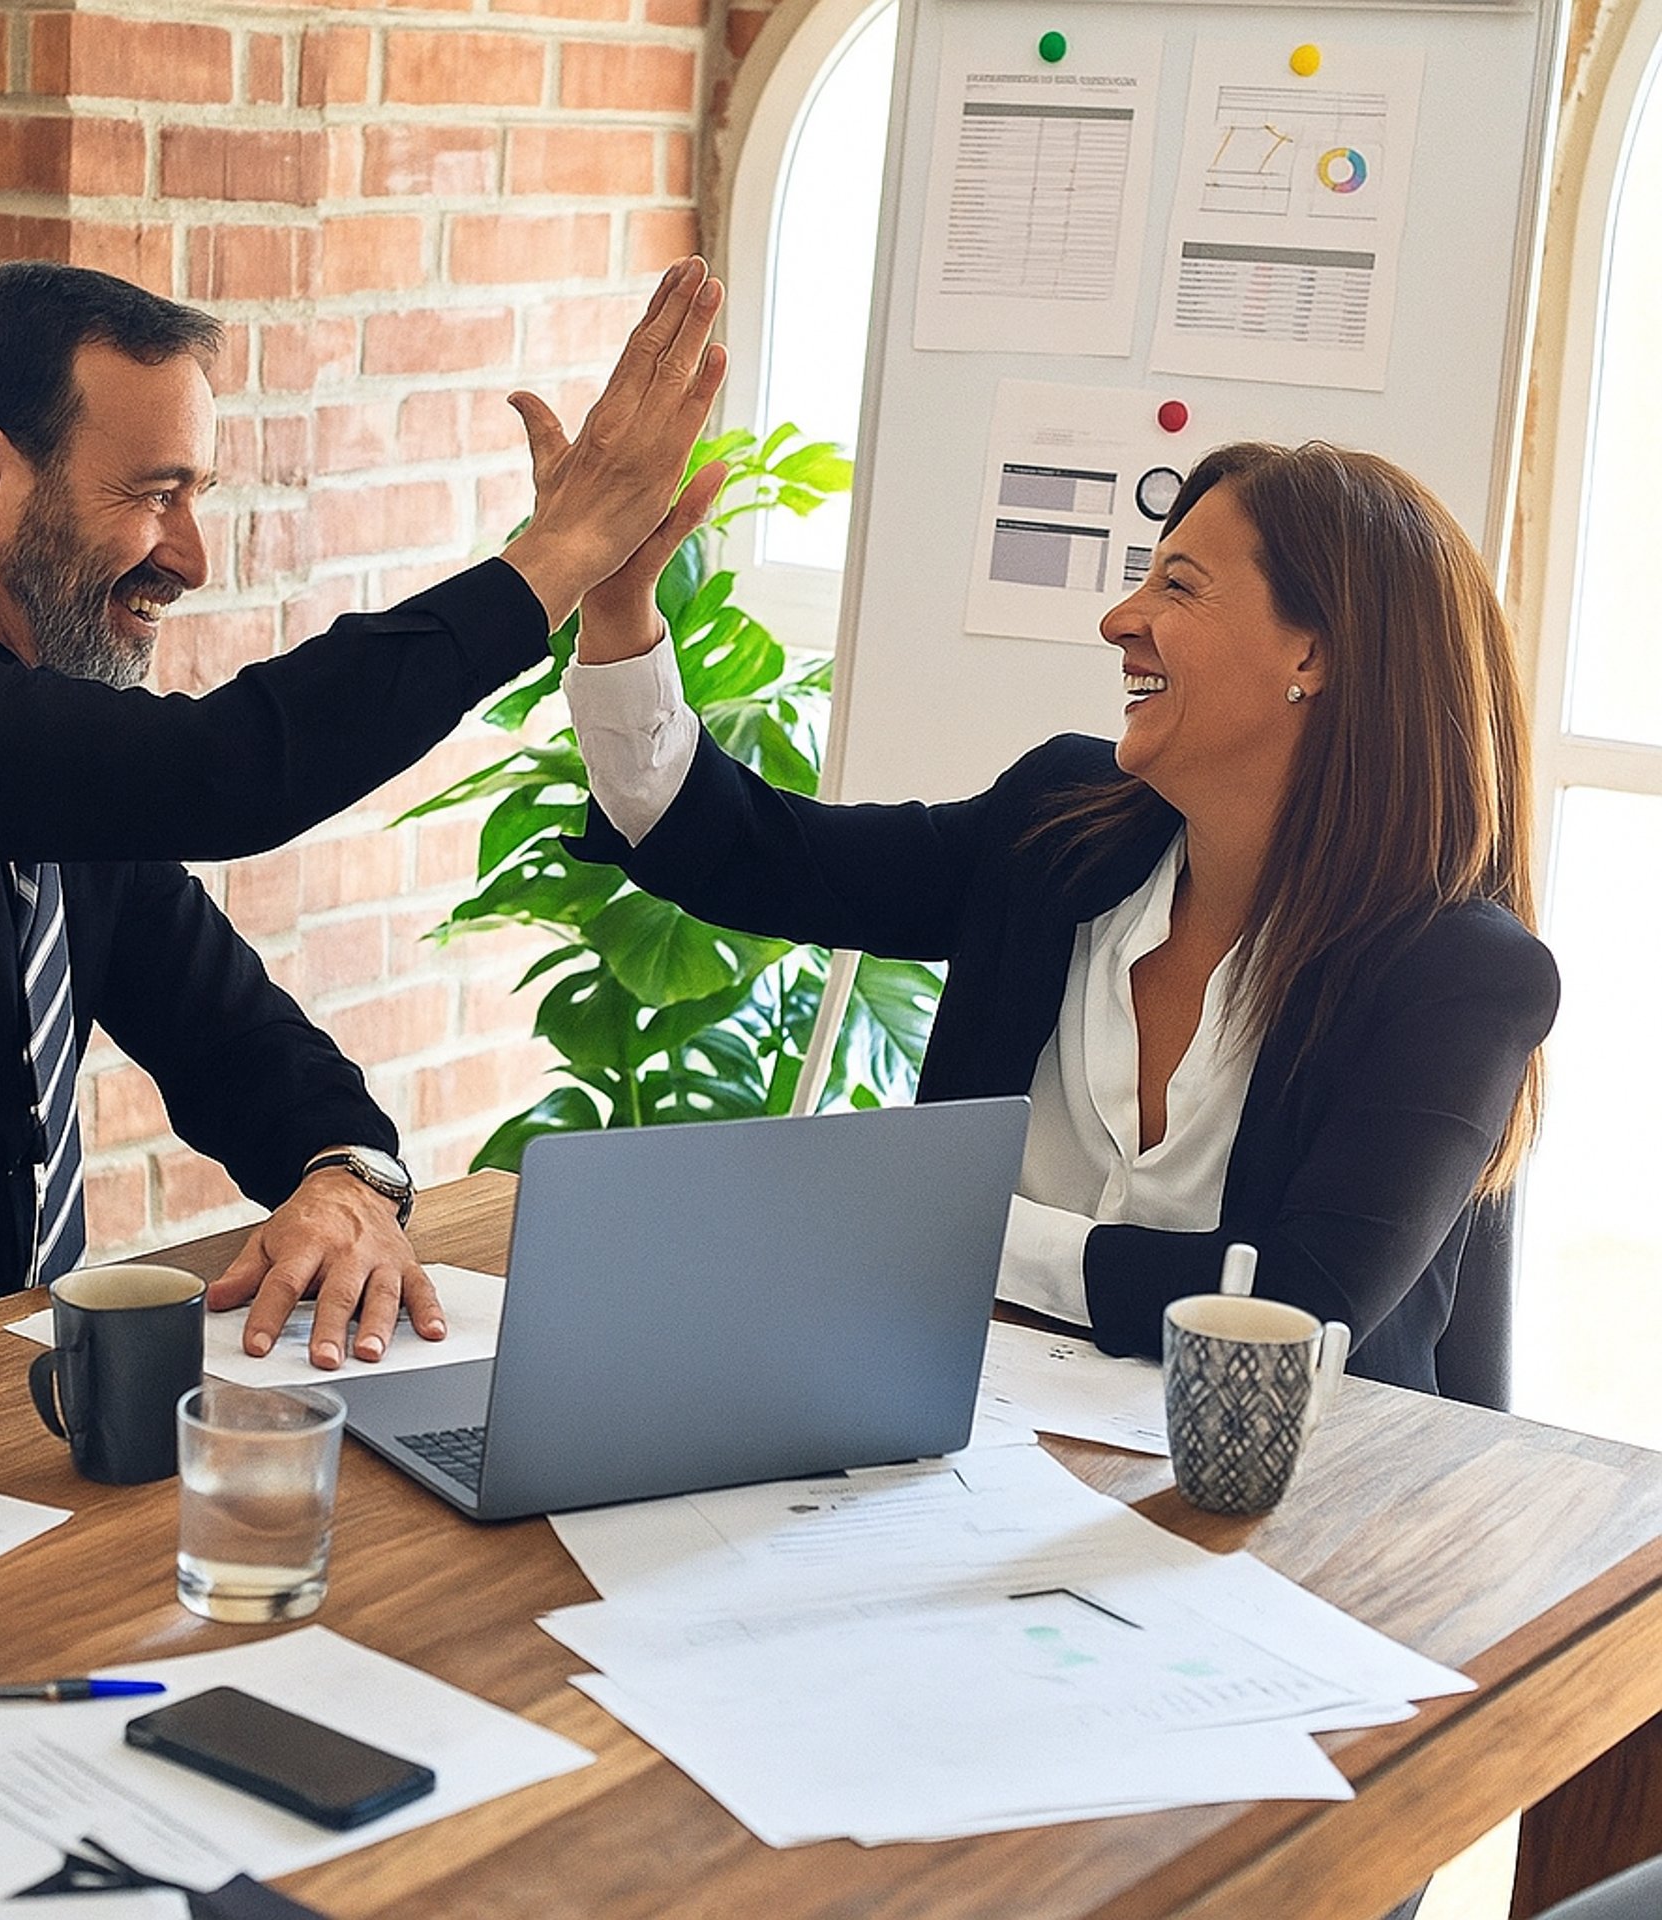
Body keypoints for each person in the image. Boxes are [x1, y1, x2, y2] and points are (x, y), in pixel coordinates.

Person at [0, 256, 727, 1372]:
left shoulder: (60, 784)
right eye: (155, 495)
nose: (192, 558)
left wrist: (347, 1179)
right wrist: (552, 563)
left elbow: (246, 1050)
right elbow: (231, 771)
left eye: (196, 497)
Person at [557, 440, 1559, 1392]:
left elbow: (1300, 1309)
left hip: (1285, 1519)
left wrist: (954, 1230)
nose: (1120, 618)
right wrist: (615, 608)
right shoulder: (1060, 825)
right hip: (960, 1444)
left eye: (1178, 584)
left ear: (1315, 654)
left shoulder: (1460, 975)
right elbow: (759, 855)